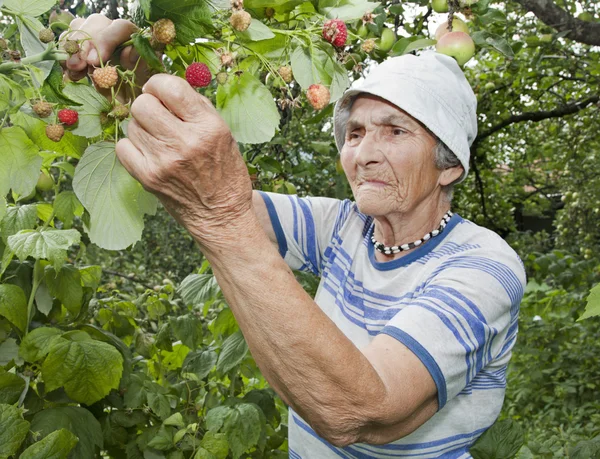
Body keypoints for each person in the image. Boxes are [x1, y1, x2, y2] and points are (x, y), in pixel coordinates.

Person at [66, 15, 526, 458]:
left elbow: (361, 411)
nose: (363, 153)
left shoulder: (484, 266)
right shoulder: (346, 226)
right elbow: (208, 188)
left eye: (395, 131)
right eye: (356, 132)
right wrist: (131, 65)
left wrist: (221, 220)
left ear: (449, 166)